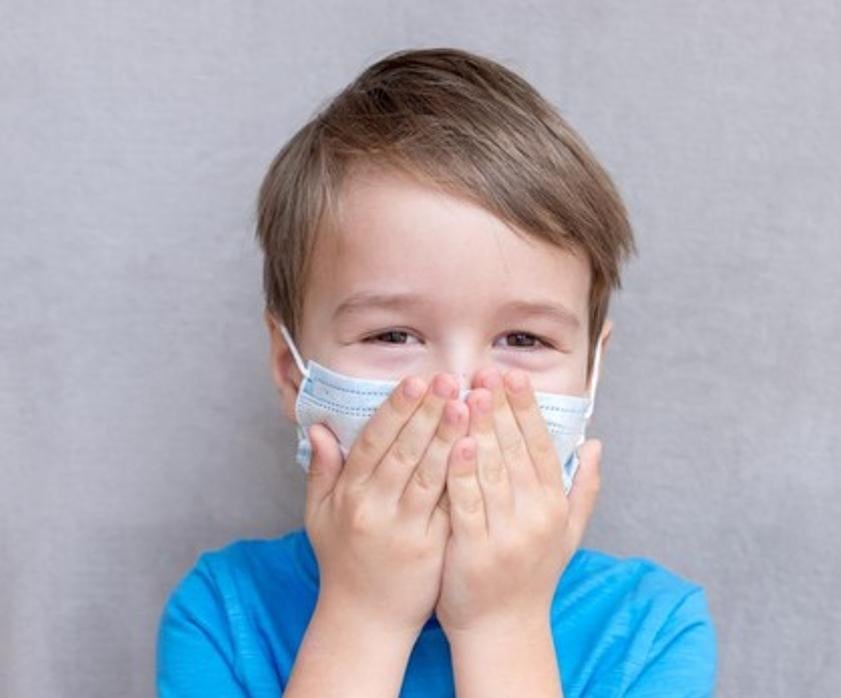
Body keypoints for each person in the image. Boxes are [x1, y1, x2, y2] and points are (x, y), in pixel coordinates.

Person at [155, 47, 717, 697]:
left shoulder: (652, 631)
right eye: (393, 334)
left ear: (593, 370)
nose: (463, 395)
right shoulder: (222, 617)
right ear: (291, 369)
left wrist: (502, 624)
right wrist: (364, 616)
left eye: (523, 338)